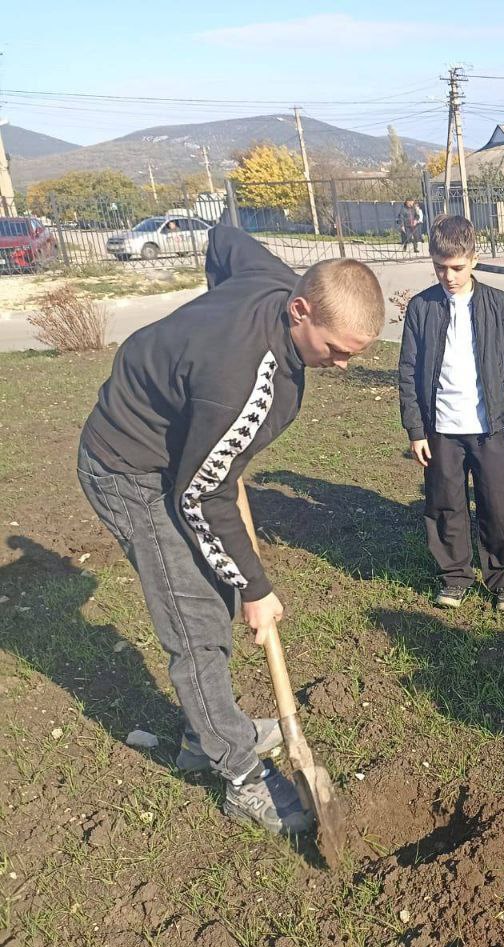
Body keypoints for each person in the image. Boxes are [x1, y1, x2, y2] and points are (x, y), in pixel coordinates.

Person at [77, 226, 385, 836]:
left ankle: (206, 730)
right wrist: (257, 588)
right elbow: (200, 496)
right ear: (301, 310)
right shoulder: (239, 382)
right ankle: (239, 773)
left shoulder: (273, 280)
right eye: (335, 349)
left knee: (214, 589)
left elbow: (222, 239)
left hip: (178, 458)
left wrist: (211, 318)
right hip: (130, 468)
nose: (343, 364)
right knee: (193, 615)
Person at [398, 214, 504, 611]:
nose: (449, 276)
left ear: (473, 258)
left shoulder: (499, 304)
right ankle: (454, 575)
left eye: (457, 267)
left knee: (497, 504)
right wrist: (415, 430)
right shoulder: (422, 307)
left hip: (489, 429)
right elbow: (408, 370)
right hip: (441, 429)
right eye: (440, 267)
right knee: (445, 505)